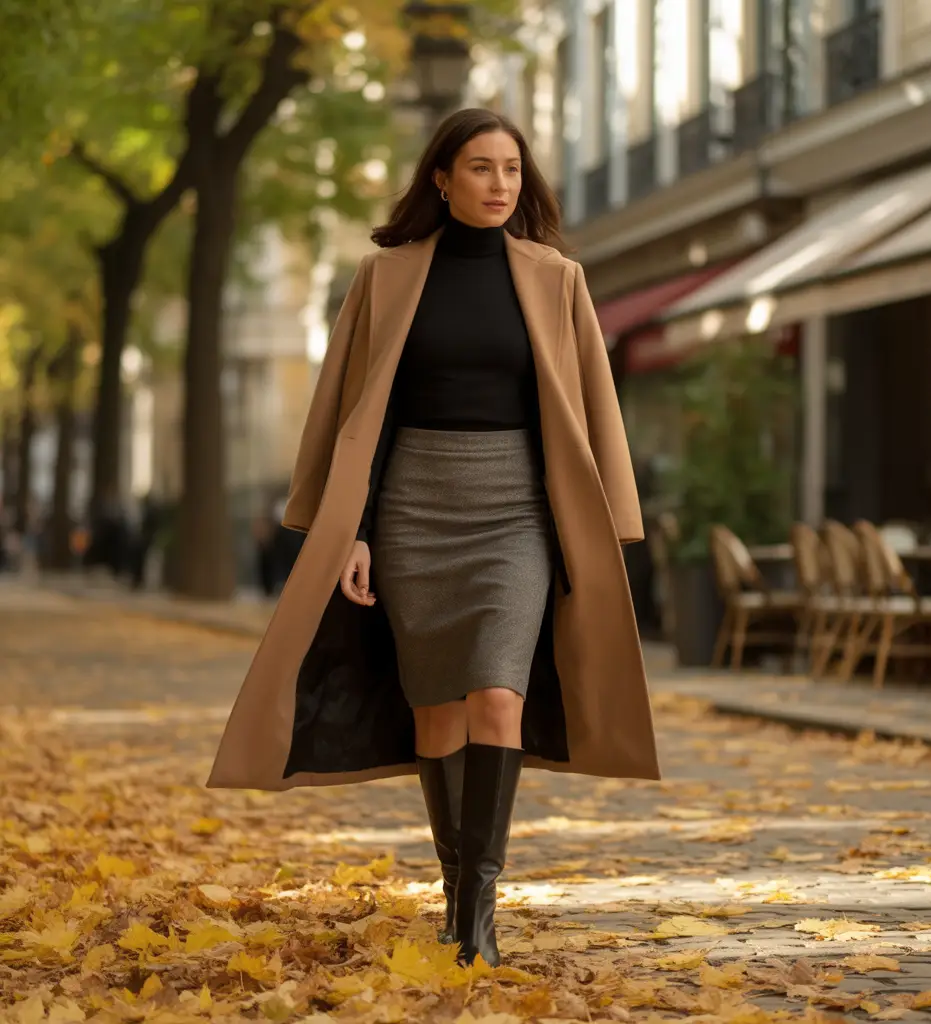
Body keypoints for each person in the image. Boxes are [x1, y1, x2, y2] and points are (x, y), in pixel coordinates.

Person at [206, 108, 660, 968]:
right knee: (435, 713)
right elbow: (357, 414)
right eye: (481, 168)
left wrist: (596, 522)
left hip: (517, 512)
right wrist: (358, 532)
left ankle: (480, 907)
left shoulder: (557, 277)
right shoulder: (385, 277)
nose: (499, 185)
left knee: (498, 695)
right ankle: (454, 891)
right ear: (441, 178)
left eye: (513, 171)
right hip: (414, 507)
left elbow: (589, 409)